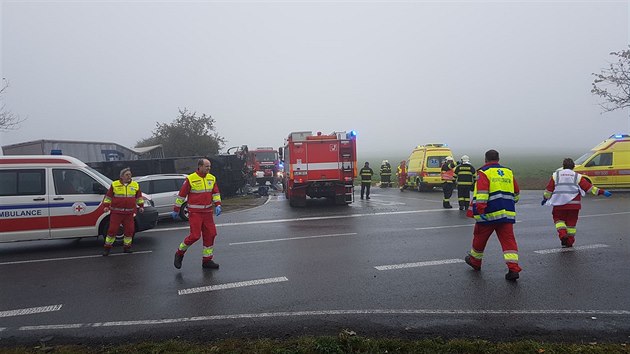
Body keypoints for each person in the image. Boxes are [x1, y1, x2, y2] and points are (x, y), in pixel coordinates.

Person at [464, 150, 521, 281]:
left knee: (479, 238)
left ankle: (475, 262)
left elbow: (482, 194)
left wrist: (481, 210)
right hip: (506, 213)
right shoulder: (508, 172)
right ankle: (513, 268)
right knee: (508, 241)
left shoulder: (484, 172)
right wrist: (510, 202)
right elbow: (516, 192)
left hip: (489, 214)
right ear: (498, 159)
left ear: (485, 159)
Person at [541, 158, 612, 247]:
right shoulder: (577, 176)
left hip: (559, 205)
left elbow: (549, 190)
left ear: (563, 166)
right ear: (573, 166)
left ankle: (563, 235)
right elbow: (589, 188)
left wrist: (545, 198)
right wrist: (602, 192)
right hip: (574, 205)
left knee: (558, 220)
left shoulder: (556, 175)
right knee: (571, 224)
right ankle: (569, 242)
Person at [173, 158, 222, 270]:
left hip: (208, 212)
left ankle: (207, 260)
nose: (209, 168)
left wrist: (218, 204)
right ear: (200, 166)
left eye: (209, 166)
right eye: (206, 166)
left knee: (211, 234)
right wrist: (176, 209)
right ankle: (179, 253)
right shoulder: (191, 179)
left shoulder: (212, 178)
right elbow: (181, 195)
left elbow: (215, 193)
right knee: (195, 236)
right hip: (195, 213)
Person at [102, 167, 144, 256]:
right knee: (112, 231)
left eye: (130, 174)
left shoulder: (135, 185)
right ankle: (107, 248)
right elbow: (108, 197)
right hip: (116, 213)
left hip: (129, 213)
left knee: (129, 231)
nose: (129, 176)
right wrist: (106, 206)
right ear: (122, 176)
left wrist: (141, 206)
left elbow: (139, 197)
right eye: (127, 175)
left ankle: (127, 247)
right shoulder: (114, 184)